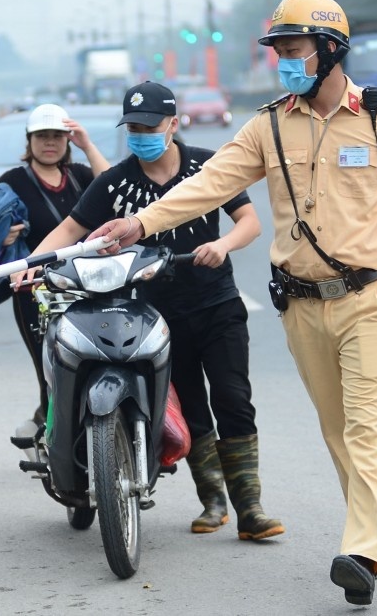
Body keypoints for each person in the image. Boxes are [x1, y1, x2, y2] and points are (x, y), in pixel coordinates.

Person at [89, 0, 377, 607]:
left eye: (294, 52)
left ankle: (362, 550)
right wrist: (140, 225)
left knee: (368, 425)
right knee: (336, 428)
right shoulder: (267, 124)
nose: (285, 65)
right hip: (300, 305)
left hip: (371, 296)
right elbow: (208, 186)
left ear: (329, 51)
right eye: (280, 54)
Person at [15, 81, 285, 541]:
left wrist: (222, 245)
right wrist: (30, 266)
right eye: (133, 127)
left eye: (149, 125)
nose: (141, 134)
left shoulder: (207, 166)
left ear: (173, 124)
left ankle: (251, 508)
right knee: (192, 409)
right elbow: (69, 230)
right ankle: (212, 500)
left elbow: (250, 222)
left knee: (233, 400)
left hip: (217, 303)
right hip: (152, 316)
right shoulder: (115, 181)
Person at [0, 103, 111, 435]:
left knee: (95, 358)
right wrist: (2, 239)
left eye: (57, 137)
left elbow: (111, 188)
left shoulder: (79, 175)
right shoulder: (11, 181)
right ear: (29, 141)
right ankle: (51, 433)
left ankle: (94, 427)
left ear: (67, 140)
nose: (50, 143)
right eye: (42, 136)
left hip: (87, 283)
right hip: (35, 288)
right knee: (49, 366)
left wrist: (87, 145)